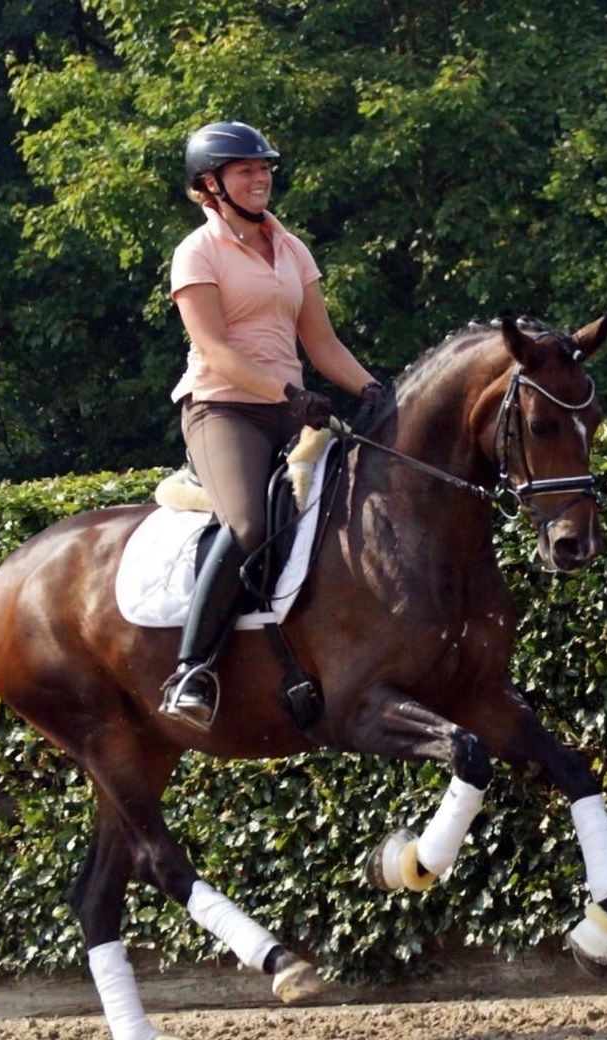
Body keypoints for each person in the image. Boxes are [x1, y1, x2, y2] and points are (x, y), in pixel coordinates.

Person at [161, 120, 386, 732]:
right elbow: (216, 352)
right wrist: (290, 394)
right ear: (211, 185)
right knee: (248, 525)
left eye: (264, 168)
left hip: (291, 407)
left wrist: (370, 388)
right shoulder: (197, 253)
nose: (260, 178)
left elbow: (321, 341)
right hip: (223, 409)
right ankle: (191, 669)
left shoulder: (291, 249)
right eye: (245, 170)